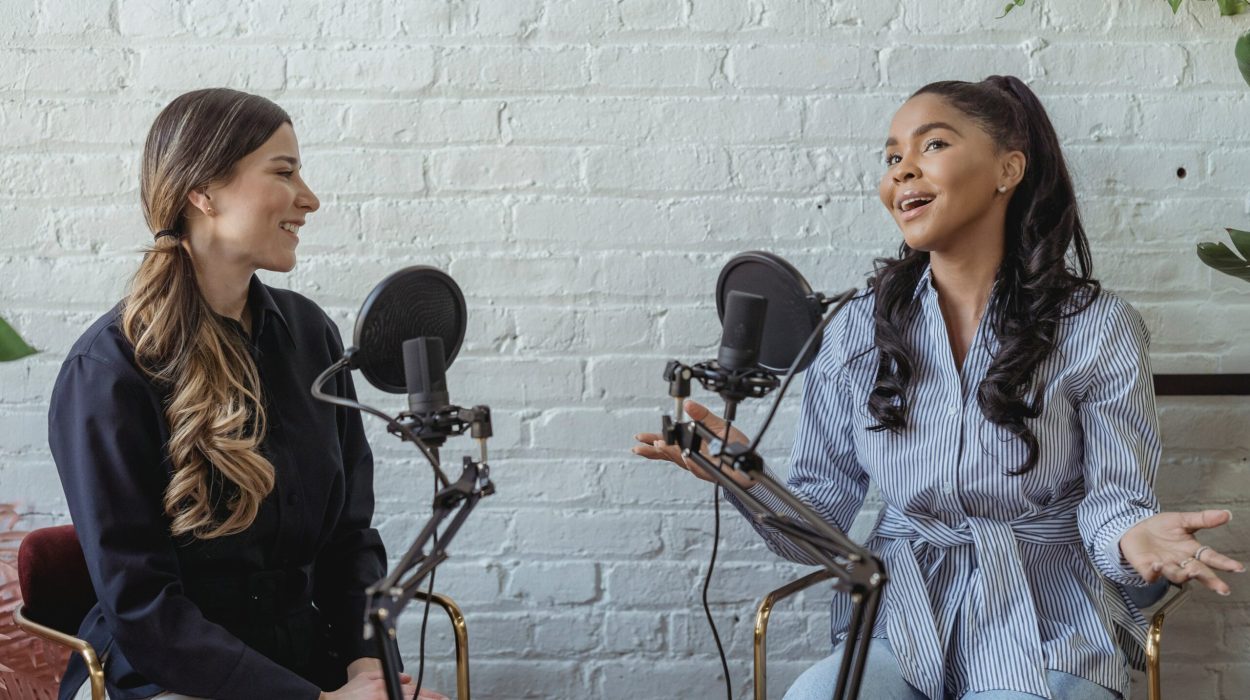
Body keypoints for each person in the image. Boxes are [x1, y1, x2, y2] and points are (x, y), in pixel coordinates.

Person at [633, 75, 1244, 700]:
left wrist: (1132, 536)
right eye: (892, 156)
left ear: (1008, 169)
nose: (901, 171)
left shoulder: (1097, 326)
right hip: (901, 614)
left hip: (1048, 617)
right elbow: (825, 516)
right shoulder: (853, 328)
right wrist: (744, 478)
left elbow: (1115, 497)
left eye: (932, 146)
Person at [48, 88, 445, 700]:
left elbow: (349, 542)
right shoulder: (106, 372)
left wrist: (369, 666)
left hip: (306, 662)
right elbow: (143, 609)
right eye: (283, 172)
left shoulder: (312, 336)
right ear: (203, 192)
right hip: (161, 680)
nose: (309, 199)